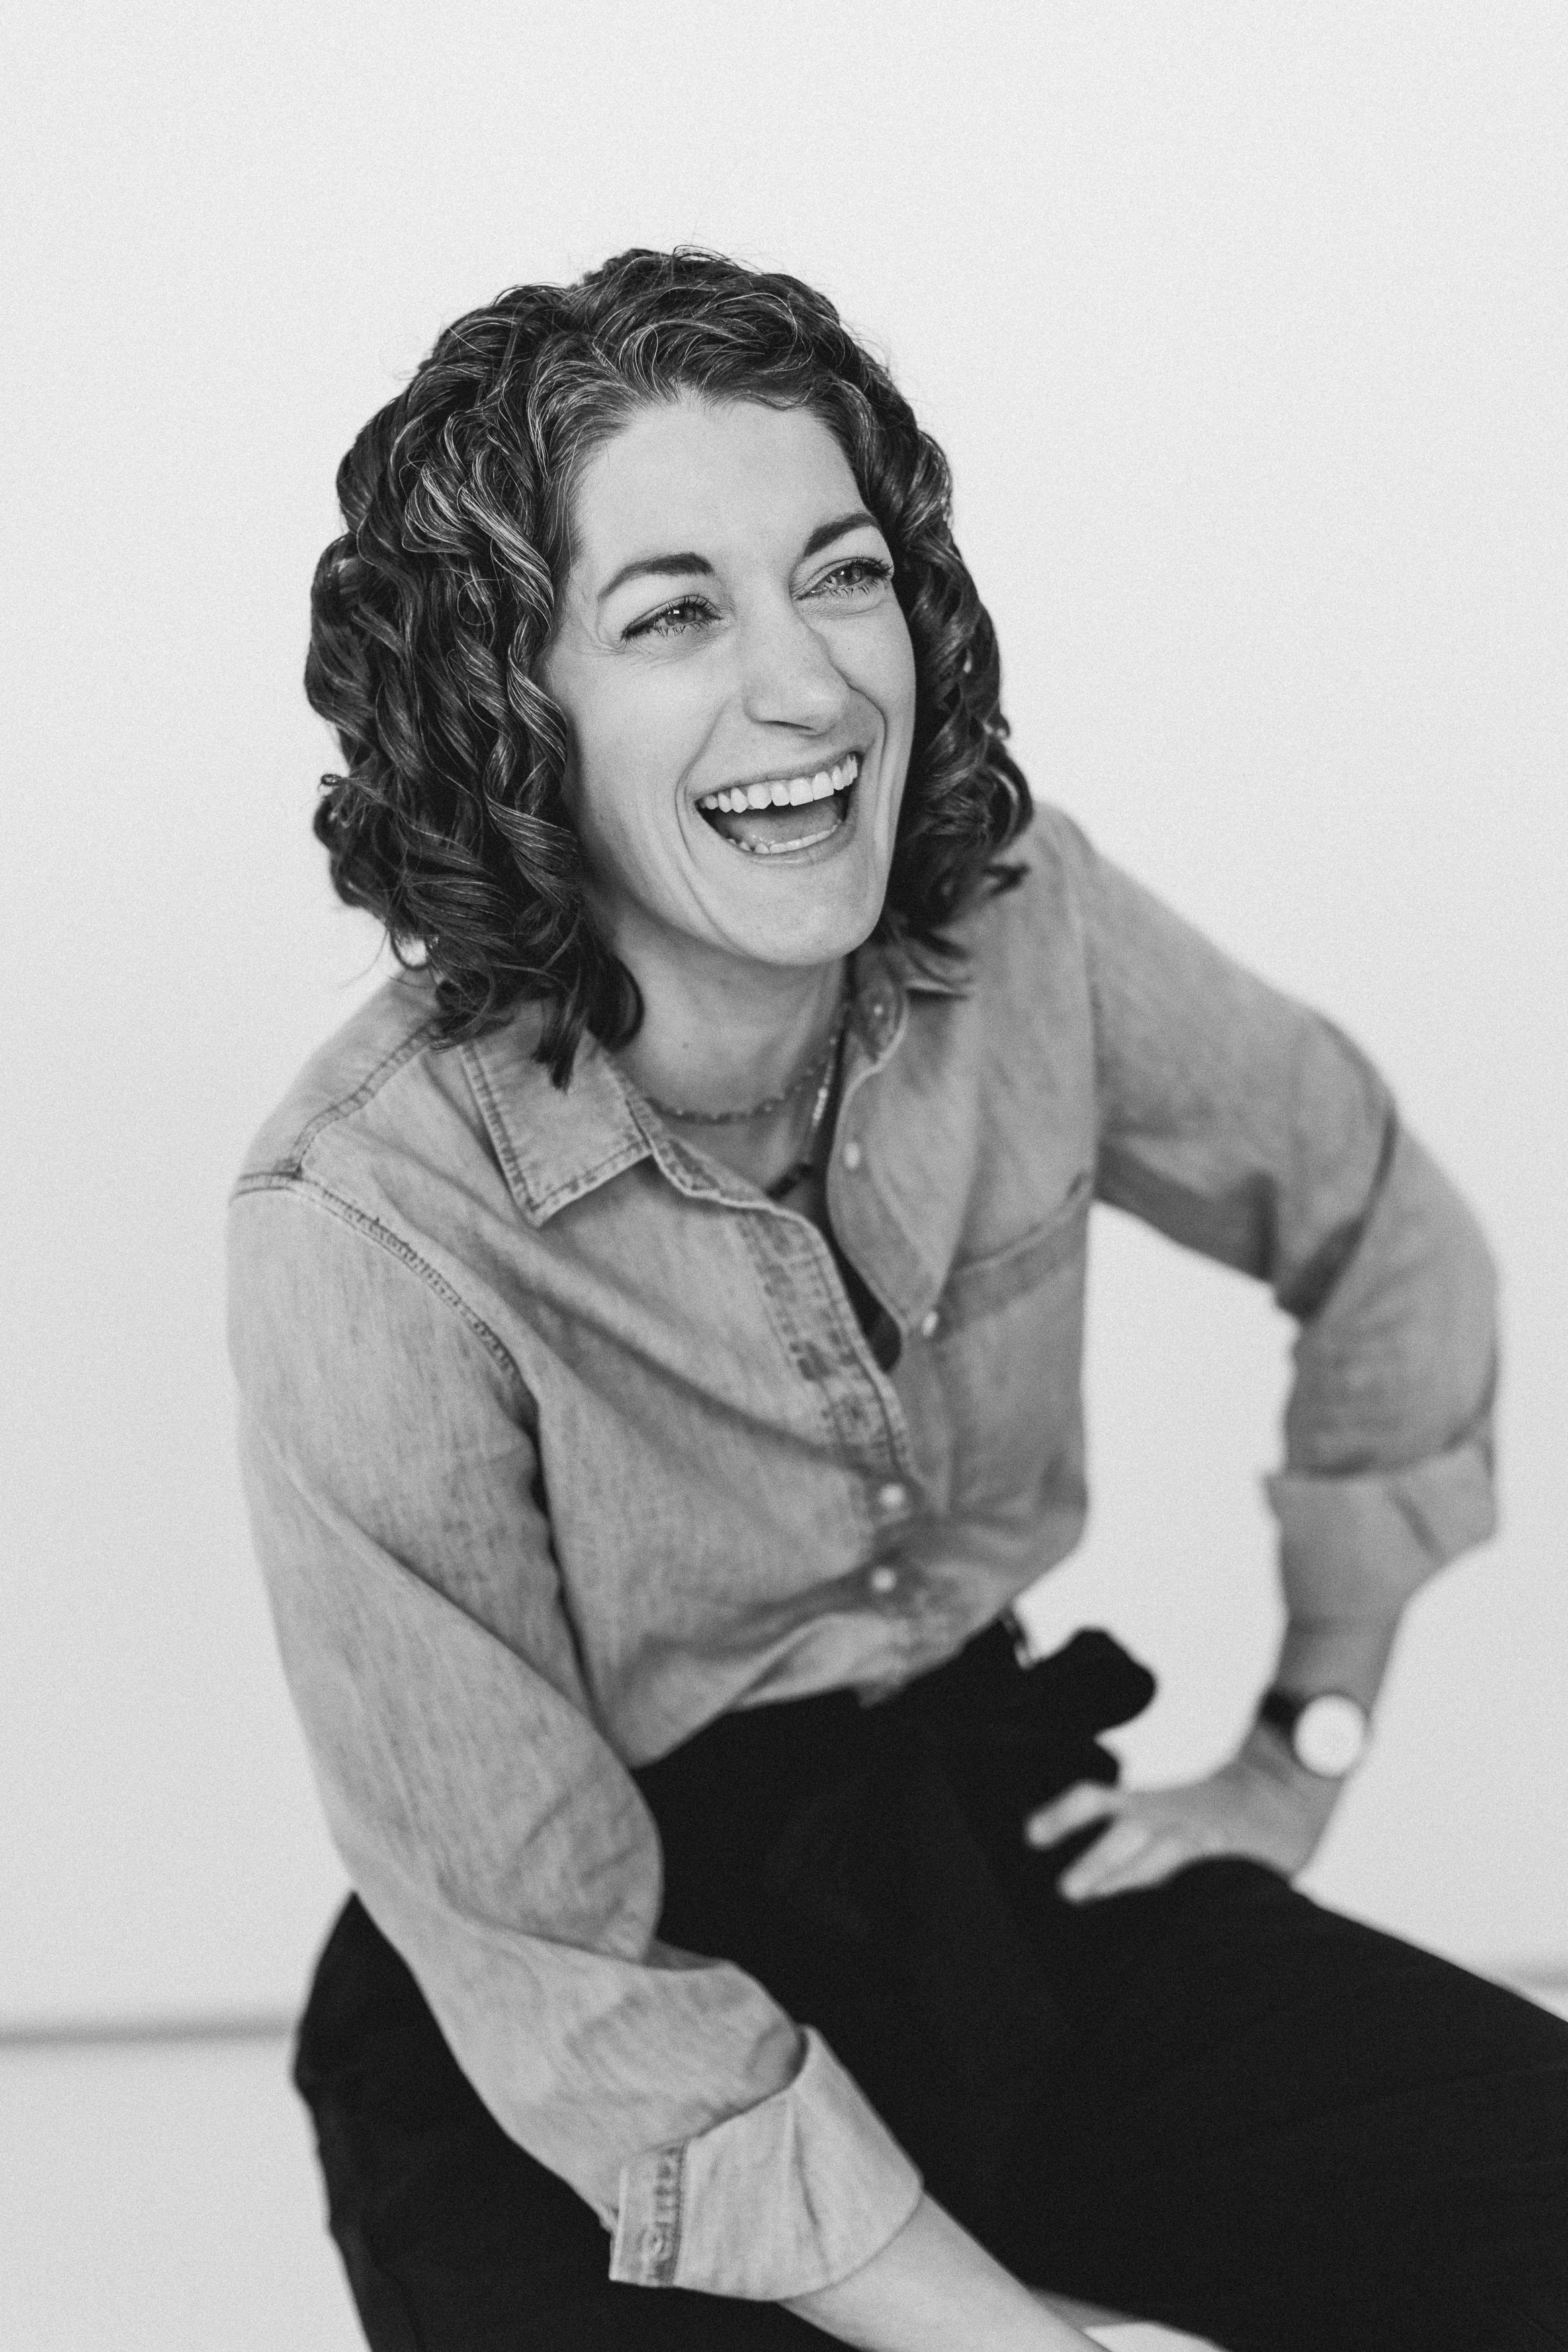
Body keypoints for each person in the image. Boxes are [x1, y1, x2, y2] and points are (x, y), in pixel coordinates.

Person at [227, 249, 1567, 2352]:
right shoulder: (369, 1214)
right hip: (570, 2031)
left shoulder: (1026, 929)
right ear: (510, 704)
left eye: (838, 576)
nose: (810, 688)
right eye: (672, 613)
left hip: (993, 1851)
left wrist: (1298, 1743)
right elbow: (554, 1970)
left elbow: (1379, 1224)